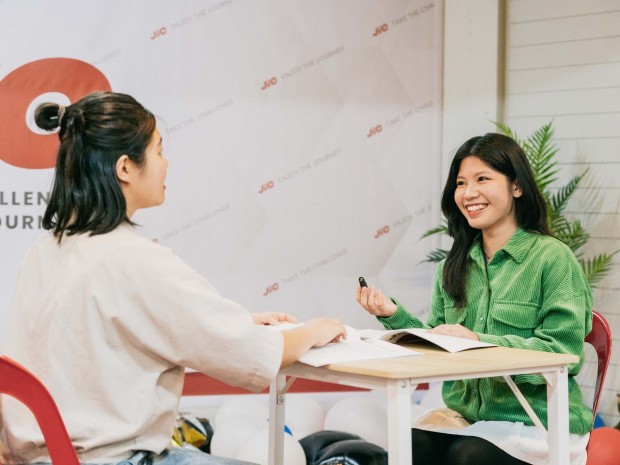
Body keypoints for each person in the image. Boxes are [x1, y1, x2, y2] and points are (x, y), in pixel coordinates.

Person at [1, 91, 346, 465]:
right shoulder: (135, 259)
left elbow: (103, 335)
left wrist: (242, 323)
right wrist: (313, 331)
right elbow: (253, 353)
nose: (166, 164)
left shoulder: (44, 252)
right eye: (158, 150)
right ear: (125, 168)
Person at [356, 133, 593, 465]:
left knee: (467, 457)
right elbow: (439, 343)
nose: (468, 193)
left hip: (538, 424)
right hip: (469, 420)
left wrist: (477, 342)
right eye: (461, 183)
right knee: (409, 445)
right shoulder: (452, 266)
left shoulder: (553, 259)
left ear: (516, 186)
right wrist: (392, 314)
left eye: (482, 179)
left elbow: (564, 352)